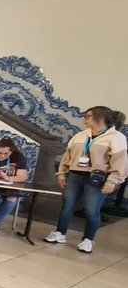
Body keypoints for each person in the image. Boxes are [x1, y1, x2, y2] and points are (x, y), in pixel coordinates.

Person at [45, 106, 127, 253]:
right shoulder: (81, 135)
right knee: (67, 205)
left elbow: (120, 162)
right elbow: (68, 156)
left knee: (91, 209)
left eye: (88, 116)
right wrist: (62, 173)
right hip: (75, 174)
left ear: (100, 118)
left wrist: (112, 181)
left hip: (97, 177)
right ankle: (60, 233)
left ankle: (88, 240)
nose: (85, 119)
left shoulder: (116, 137)